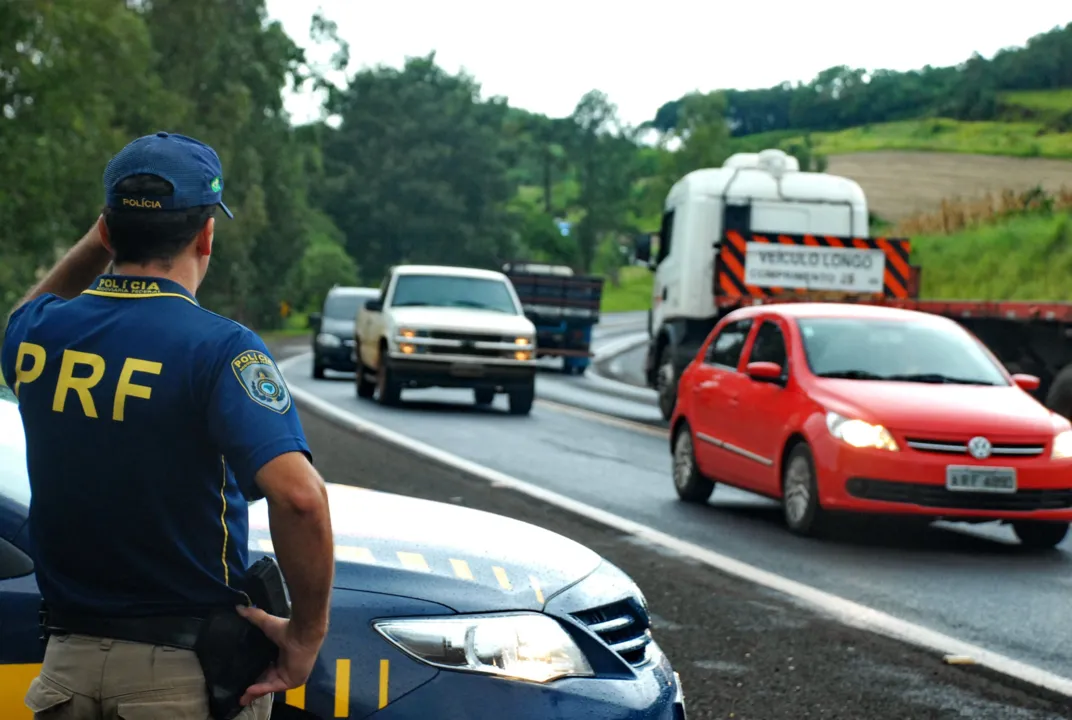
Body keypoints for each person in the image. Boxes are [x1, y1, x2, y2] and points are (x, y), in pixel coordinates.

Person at [0, 132, 335, 719]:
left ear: (106, 231)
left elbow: (24, 312)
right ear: (206, 234)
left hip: (64, 675)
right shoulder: (221, 349)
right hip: (181, 682)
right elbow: (301, 499)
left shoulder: (39, 334)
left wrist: (105, 235)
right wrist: (305, 637)